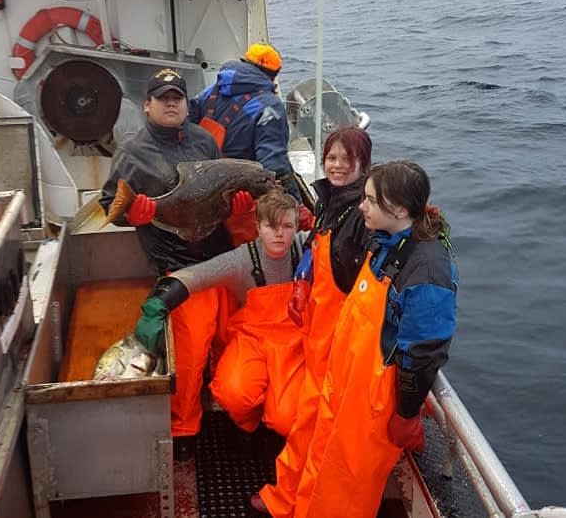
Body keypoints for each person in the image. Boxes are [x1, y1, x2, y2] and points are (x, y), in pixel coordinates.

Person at [256, 160, 458, 518]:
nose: (361, 206)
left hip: (371, 404)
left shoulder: (426, 270)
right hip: (343, 385)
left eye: (370, 200)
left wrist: (407, 413)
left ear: (398, 209)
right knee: (320, 461)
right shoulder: (383, 242)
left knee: (346, 488)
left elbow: (423, 352)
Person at [99, 67, 252, 461]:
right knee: (190, 351)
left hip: (220, 258)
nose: (171, 104)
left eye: (177, 98)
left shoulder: (204, 140)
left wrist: (236, 207)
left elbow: (223, 189)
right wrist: (131, 214)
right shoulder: (132, 151)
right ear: (147, 105)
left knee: (229, 338)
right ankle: (184, 427)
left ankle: (228, 409)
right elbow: (108, 203)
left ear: (186, 104)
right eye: (163, 98)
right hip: (178, 265)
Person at [255, 126, 372, 516]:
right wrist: (302, 279)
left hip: (339, 343)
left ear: (364, 163)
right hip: (316, 334)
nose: (337, 165)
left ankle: (292, 502)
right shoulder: (330, 201)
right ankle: (287, 497)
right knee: (307, 421)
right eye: (331, 157)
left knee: (316, 426)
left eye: (346, 159)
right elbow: (315, 245)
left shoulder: (363, 215)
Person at [135, 189, 307, 438]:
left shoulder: (307, 247)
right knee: (232, 394)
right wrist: (158, 304)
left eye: (287, 226)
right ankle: (253, 421)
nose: (279, 234)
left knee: (287, 419)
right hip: (252, 341)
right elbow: (196, 276)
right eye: (271, 226)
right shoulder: (241, 260)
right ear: (257, 227)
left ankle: (275, 412)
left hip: (296, 344)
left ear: (297, 226)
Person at [189, 42, 311, 238]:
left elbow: (189, 118)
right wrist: (296, 205)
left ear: (245, 62)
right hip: (234, 193)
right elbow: (274, 165)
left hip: (199, 180)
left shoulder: (214, 89)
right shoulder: (270, 106)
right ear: (274, 75)